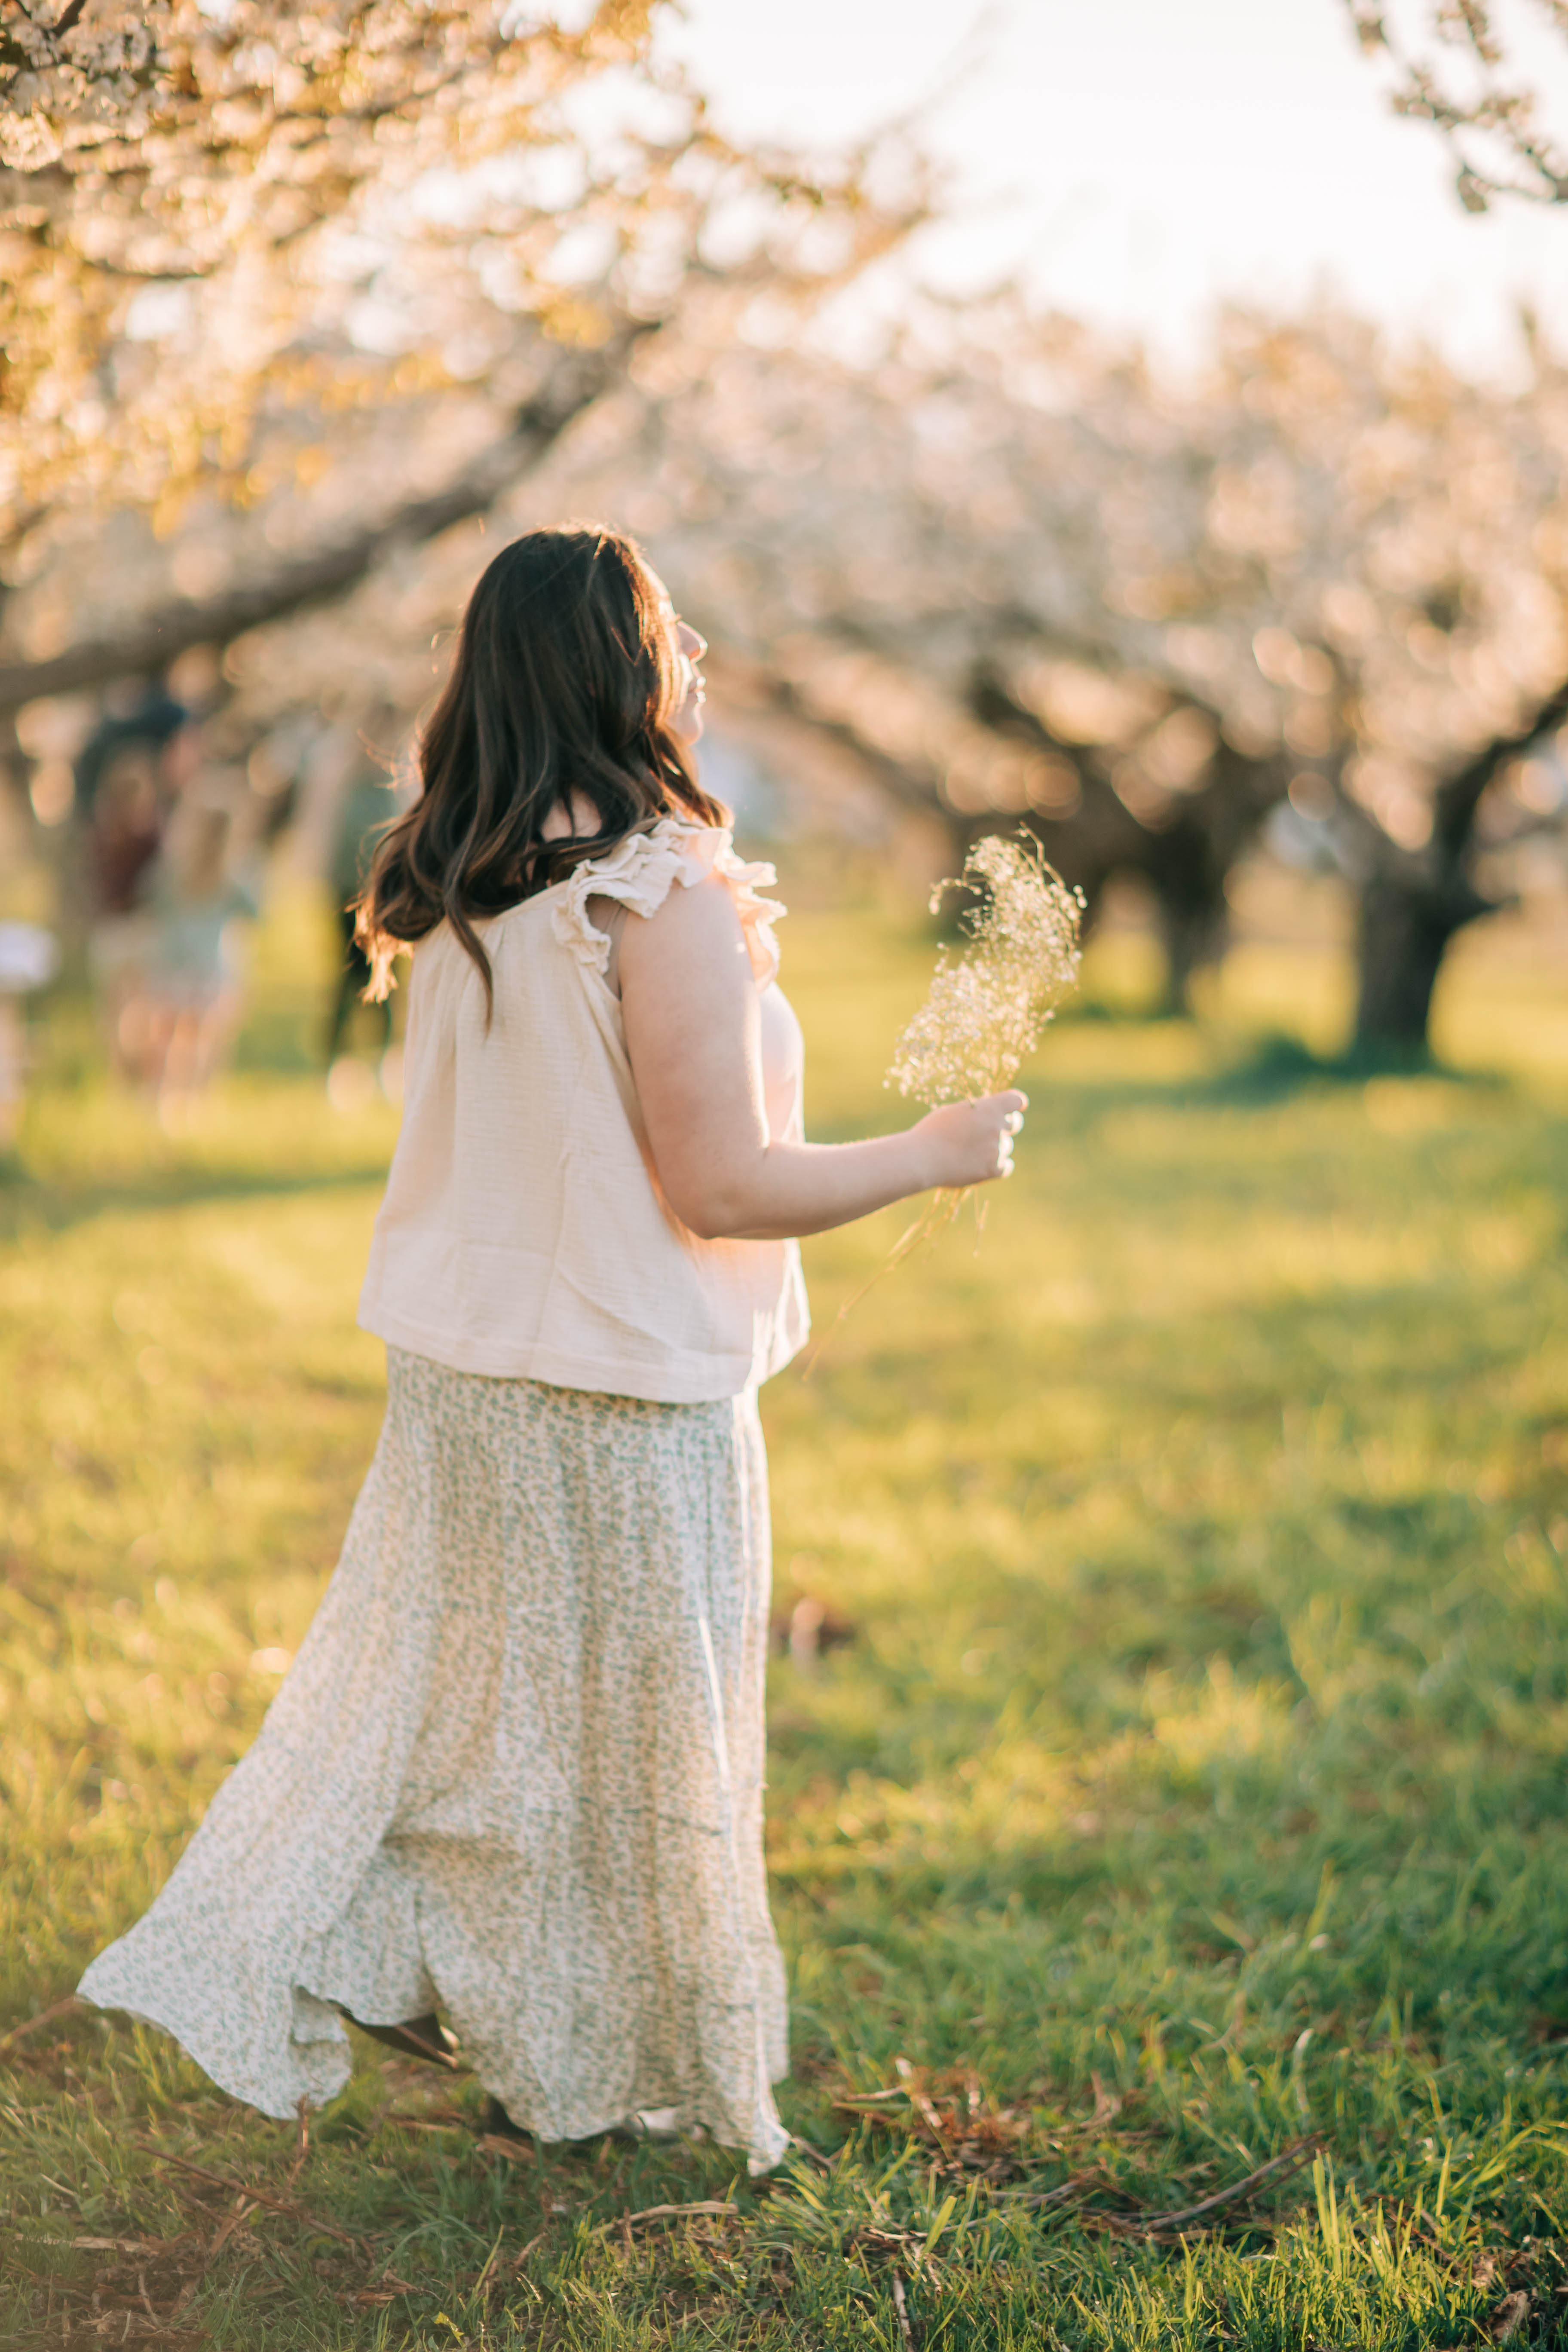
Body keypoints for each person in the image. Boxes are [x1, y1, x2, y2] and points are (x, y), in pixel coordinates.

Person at [77, 524, 1026, 2176]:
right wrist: (927, 1152)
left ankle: (471, 2002)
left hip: (462, 1370)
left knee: (476, 1723)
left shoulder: (458, 880)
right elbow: (720, 1180)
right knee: (641, 1757)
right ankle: (561, 2036)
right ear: (638, 666)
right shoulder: (651, 887)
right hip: (614, 1382)